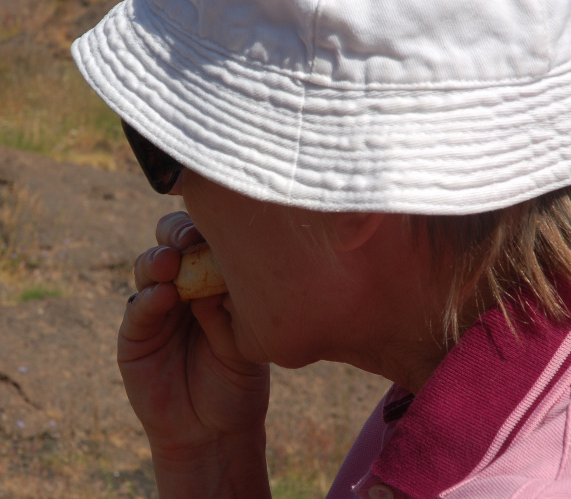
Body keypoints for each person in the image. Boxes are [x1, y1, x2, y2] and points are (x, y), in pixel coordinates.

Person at [71, 0, 571, 497]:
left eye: (170, 148)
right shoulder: (460, 400)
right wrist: (210, 459)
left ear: (342, 192)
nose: (175, 190)